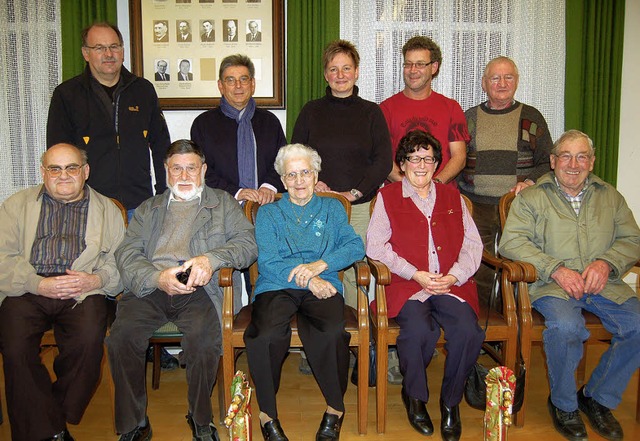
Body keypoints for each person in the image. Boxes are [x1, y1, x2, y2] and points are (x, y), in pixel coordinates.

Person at [106, 139, 257, 441]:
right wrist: (156, 277)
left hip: (200, 289)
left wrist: (211, 259)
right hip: (151, 286)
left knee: (204, 341)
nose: (184, 176)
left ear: (203, 170)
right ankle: (134, 423)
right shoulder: (149, 208)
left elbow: (247, 245)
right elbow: (127, 253)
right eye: (177, 169)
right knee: (120, 338)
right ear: (166, 172)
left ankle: (200, 417)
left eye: (191, 168)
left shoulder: (223, 203)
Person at [499, 130, 640, 441]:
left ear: (591, 162)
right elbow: (512, 243)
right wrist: (556, 269)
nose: (573, 164)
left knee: (638, 326)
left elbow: (632, 240)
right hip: (553, 286)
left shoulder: (610, 196)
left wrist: (607, 264)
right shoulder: (532, 197)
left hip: (605, 284)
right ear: (552, 161)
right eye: (566, 156)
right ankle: (564, 404)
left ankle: (597, 398)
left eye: (581, 157)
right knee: (565, 328)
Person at [0, 143, 126, 441]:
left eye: (71, 168)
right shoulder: (16, 205)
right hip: (27, 287)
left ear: (85, 172)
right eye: (54, 169)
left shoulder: (108, 209)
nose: (63, 175)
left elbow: (122, 259)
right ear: (43, 173)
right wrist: (37, 283)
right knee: (15, 346)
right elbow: (2, 255)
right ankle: (52, 430)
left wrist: (96, 280)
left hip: (82, 290)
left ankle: (46, 418)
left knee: (88, 341)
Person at [366, 130, 484, 441]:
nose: (422, 165)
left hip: (449, 283)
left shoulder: (452, 196)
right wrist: (414, 273)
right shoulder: (387, 197)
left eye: (428, 158)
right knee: (418, 331)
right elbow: (376, 248)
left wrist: (454, 276)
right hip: (408, 284)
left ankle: (450, 403)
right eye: (414, 158)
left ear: (436, 164)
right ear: (402, 164)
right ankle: (415, 397)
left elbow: (473, 244)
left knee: (468, 331)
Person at [244, 144, 365, 441]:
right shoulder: (269, 213)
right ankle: (266, 414)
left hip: (323, 282)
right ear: (283, 181)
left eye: (305, 173)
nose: (299, 181)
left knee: (332, 331)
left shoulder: (333, 207)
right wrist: (309, 279)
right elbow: (269, 261)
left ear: (316, 175)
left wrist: (321, 265)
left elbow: (354, 247)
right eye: (292, 175)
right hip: (277, 284)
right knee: (265, 335)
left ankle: (335, 409)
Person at [291, 39, 391, 375]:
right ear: (325, 74)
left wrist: (355, 191)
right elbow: (298, 155)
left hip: (358, 206)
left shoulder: (371, 112)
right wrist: (313, 183)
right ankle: (315, 343)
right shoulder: (311, 111)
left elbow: (383, 160)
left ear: (357, 71)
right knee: (316, 269)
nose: (340, 74)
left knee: (351, 272)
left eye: (346, 68)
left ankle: (350, 342)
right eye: (333, 69)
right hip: (316, 205)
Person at [47, 22, 171, 214]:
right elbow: (57, 154)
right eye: (99, 48)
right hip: (87, 207)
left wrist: (165, 193)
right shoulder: (67, 95)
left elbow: (162, 146)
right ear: (85, 53)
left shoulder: (143, 90)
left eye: (114, 46)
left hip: (139, 206)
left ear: (122, 51)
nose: (108, 54)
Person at [459, 56, 552, 306]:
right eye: (495, 78)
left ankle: (510, 326)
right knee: (479, 266)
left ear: (517, 81)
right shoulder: (469, 118)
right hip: (476, 205)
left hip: (518, 205)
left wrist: (530, 183)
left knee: (516, 266)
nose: (502, 83)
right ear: (484, 83)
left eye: (508, 77)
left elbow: (547, 162)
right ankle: (483, 325)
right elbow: (457, 160)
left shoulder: (531, 117)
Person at [191, 54, 286, 205]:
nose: (238, 86)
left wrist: (269, 186)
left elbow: (283, 162)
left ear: (252, 84)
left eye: (243, 79)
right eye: (230, 80)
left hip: (267, 207)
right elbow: (199, 170)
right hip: (220, 207)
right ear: (220, 86)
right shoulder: (203, 125)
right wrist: (236, 192)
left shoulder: (270, 122)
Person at [380, 36, 470, 185]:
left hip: (441, 195)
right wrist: (408, 186)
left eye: (420, 64)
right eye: (408, 64)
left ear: (434, 67)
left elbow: (459, 158)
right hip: (399, 197)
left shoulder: (452, 108)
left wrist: (434, 185)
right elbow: (382, 158)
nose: (412, 70)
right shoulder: (386, 109)